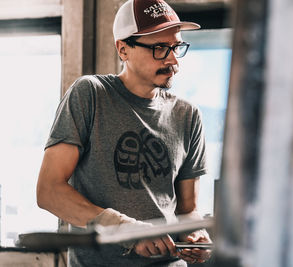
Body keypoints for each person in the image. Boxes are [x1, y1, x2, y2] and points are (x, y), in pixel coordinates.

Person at [36, 0, 212, 266]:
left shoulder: (188, 116)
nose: (173, 60)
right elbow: (49, 191)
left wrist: (197, 236)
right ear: (123, 49)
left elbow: (188, 211)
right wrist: (124, 229)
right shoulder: (90, 94)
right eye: (160, 48)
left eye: (176, 46)